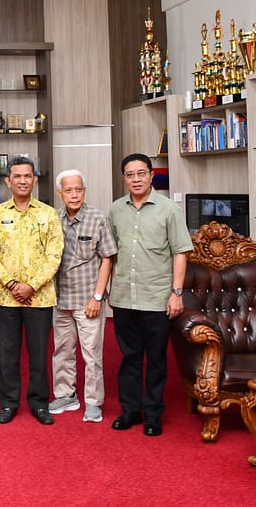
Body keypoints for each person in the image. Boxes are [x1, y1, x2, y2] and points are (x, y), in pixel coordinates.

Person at [108, 153, 192, 437]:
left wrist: (176, 293)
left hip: (156, 297)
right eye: (130, 174)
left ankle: (153, 414)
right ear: (124, 178)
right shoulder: (116, 209)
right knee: (129, 356)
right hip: (124, 296)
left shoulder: (169, 209)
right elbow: (111, 254)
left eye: (141, 173)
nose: (136, 179)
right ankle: (130, 410)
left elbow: (180, 252)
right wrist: (109, 290)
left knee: (156, 359)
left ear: (151, 175)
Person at [0, 155, 62, 426]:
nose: (22, 181)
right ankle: (8, 403)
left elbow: (54, 256)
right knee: (7, 354)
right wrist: (11, 284)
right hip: (6, 298)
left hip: (40, 298)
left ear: (34, 180)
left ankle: (39, 403)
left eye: (27, 176)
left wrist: (31, 286)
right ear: (8, 181)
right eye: (16, 176)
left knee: (39, 354)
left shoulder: (48, 214)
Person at [48, 169, 117, 424]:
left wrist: (97, 297)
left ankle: (93, 402)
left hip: (88, 300)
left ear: (84, 191)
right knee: (62, 351)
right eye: (68, 190)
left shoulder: (97, 218)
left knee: (92, 355)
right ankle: (66, 395)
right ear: (60, 194)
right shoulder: (53, 219)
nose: (74, 195)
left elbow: (108, 259)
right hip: (61, 299)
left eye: (78, 189)